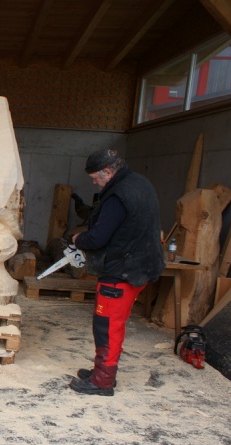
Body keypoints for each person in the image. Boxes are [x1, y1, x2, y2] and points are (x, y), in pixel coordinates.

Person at [69, 149, 165, 396]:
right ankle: (102, 371)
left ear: (108, 171)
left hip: (122, 271)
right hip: (138, 265)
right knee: (111, 324)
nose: (94, 182)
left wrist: (79, 239)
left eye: (95, 178)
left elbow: (98, 238)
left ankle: (103, 381)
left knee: (107, 326)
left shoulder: (118, 196)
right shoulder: (139, 183)